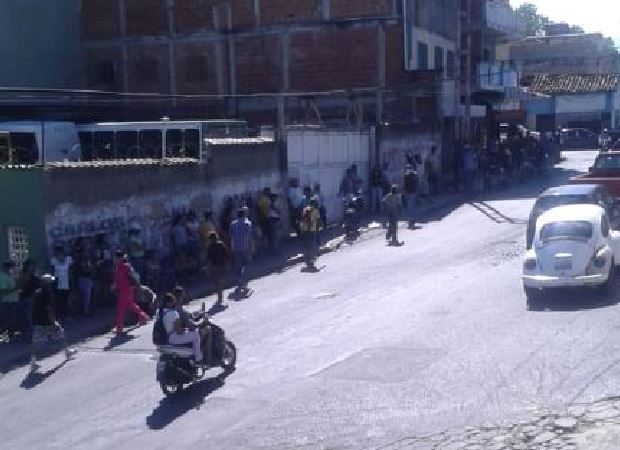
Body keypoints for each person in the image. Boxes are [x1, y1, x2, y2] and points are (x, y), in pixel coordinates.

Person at [30, 274, 77, 372]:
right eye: (50, 282)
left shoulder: (37, 292)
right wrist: (54, 321)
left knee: (35, 342)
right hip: (47, 322)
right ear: (47, 283)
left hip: (37, 321)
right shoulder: (48, 293)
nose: (51, 284)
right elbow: (49, 308)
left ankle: (33, 362)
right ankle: (67, 352)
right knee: (61, 332)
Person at [160, 292, 204, 366]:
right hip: (176, 337)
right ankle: (198, 359)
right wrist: (185, 329)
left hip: (169, 337)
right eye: (173, 300)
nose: (174, 302)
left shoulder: (163, 313)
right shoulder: (174, 313)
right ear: (169, 303)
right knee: (196, 335)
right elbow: (178, 331)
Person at [113, 249, 149, 335]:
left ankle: (119, 328)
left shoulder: (125, 266)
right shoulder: (119, 266)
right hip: (125, 289)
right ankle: (143, 317)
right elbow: (117, 279)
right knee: (131, 305)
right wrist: (114, 286)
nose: (115, 259)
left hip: (126, 290)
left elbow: (131, 277)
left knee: (120, 309)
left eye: (116, 257)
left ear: (119, 258)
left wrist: (137, 285)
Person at [230, 208, 253, 294]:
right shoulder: (247, 223)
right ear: (244, 215)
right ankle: (244, 281)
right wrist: (252, 246)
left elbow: (232, 237)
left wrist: (232, 246)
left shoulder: (233, 224)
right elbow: (249, 236)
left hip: (236, 247)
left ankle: (239, 281)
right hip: (245, 247)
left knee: (238, 266)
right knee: (247, 264)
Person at [50, 246, 73, 322]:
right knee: (59, 301)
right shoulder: (54, 261)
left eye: (60, 253)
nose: (58, 255)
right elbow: (52, 272)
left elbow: (70, 271)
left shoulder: (68, 260)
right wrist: (53, 282)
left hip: (66, 282)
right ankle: (60, 317)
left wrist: (70, 281)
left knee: (66, 300)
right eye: (57, 253)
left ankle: (66, 315)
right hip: (57, 283)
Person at [0, 261, 22, 341]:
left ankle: (12, 335)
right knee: (10, 320)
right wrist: (15, 288)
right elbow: (2, 291)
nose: (13, 268)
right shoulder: (2, 276)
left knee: (13, 319)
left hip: (14, 300)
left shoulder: (10, 275)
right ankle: (10, 337)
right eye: (12, 267)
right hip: (8, 302)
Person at [206, 232, 230, 305]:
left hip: (215, 265)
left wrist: (207, 265)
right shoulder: (221, 244)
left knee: (216, 281)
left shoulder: (210, 246)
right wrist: (228, 262)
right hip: (221, 264)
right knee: (219, 280)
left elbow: (209, 257)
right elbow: (227, 253)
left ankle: (220, 295)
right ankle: (220, 295)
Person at [300, 198, 322, 270]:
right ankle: (311, 262)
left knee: (306, 247)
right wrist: (318, 229)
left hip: (304, 230)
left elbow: (302, 219)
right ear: (315, 203)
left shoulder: (305, 209)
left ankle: (307, 262)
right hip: (312, 231)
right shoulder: (315, 210)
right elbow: (318, 221)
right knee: (312, 247)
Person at [75, 247, 95, 317]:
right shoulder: (82, 260)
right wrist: (90, 268)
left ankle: (87, 311)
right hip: (85, 279)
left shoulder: (82, 260)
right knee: (87, 297)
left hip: (85, 279)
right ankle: (86, 312)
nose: (86, 252)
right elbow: (86, 270)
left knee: (87, 296)